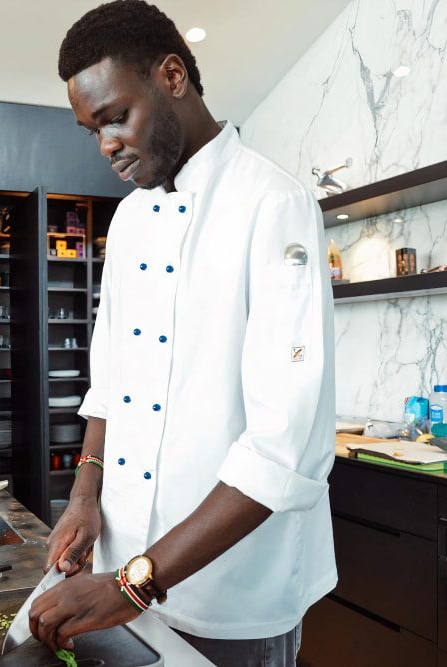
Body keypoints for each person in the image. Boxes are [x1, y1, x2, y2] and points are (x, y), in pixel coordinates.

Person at [29, 2, 337, 664]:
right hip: (118, 571)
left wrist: (136, 583)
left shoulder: (273, 206)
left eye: (116, 117)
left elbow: (284, 447)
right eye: (93, 130)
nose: (107, 142)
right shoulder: (129, 223)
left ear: (172, 77)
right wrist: (85, 497)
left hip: (230, 593)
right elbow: (109, 383)